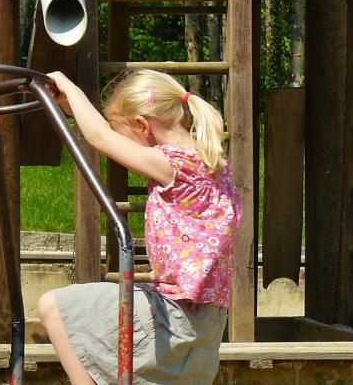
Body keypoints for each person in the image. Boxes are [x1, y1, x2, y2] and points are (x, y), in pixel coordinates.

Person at [39, 69, 240, 384]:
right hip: (206, 325)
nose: (123, 147)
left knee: (53, 307)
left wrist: (69, 85)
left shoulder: (173, 165)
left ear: (143, 126)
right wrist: (69, 106)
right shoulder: (210, 164)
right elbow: (105, 132)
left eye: (124, 134)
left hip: (175, 319)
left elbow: (99, 137)